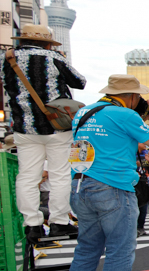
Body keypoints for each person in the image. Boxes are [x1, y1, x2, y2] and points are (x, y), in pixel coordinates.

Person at [63, 74, 149, 271]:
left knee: (86, 250)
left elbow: (114, 141)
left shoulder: (84, 113)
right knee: (120, 249)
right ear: (131, 96)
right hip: (113, 186)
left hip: (80, 185)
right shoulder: (125, 115)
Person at [1, 24, 86, 244]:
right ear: (48, 42)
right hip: (57, 125)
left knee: (28, 176)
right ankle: (58, 221)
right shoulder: (53, 56)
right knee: (59, 174)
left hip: (23, 127)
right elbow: (80, 82)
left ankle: (32, 225)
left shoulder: (7, 57)